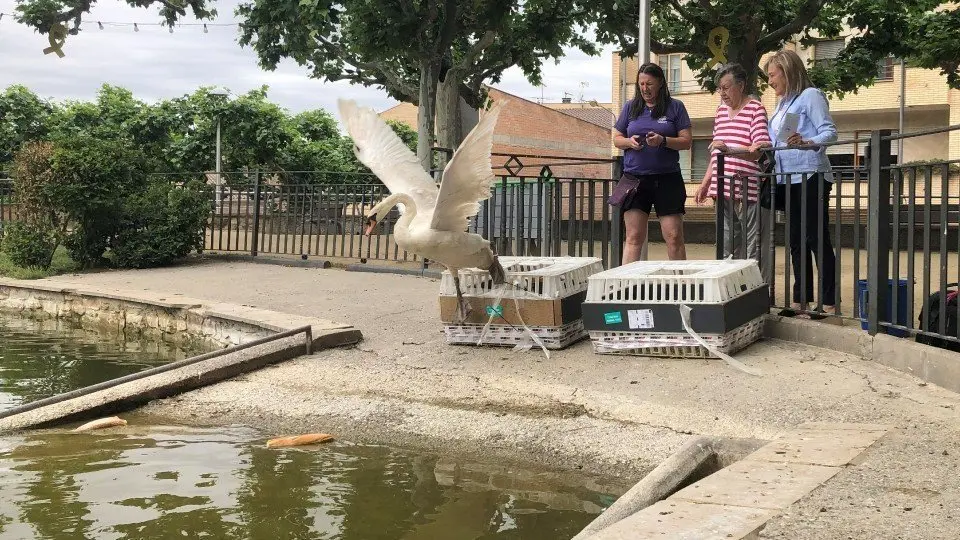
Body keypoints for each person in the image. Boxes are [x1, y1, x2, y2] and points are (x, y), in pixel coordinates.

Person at [755, 49, 839, 318]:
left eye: (772, 74)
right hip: (787, 178)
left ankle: (829, 304)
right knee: (795, 241)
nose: (769, 81)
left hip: (810, 174)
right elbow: (779, 140)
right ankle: (802, 302)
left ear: (787, 71)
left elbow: (830, 131)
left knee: (816, 237)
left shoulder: (810, 96)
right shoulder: (781, 105)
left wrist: (807, 142)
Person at [610, 62, 693, 263]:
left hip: (667, 179)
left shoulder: (676, 107)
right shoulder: (631, 107)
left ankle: (679, 286)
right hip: (634, 179)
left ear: (661, 83)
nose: (645, 89)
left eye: (650, 84)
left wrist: (663, 141)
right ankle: (627, 288)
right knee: (633, 237)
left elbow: (686, 141)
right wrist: (629, 142)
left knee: (674, 236)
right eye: (641, 84)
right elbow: (617, 138)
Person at [695, 63, 771, 260]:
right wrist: (705, 183)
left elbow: (759, 150)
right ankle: (729, 287)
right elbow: (715, 153)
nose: (722, 93)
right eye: (720, 88)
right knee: (726, 242)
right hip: (721, 187)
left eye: (726, 87)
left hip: (747, 188)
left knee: (750, 244)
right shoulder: (720, 112)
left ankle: (752, 287)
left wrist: (729, 151)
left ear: (741, 86)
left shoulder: (756, 109)